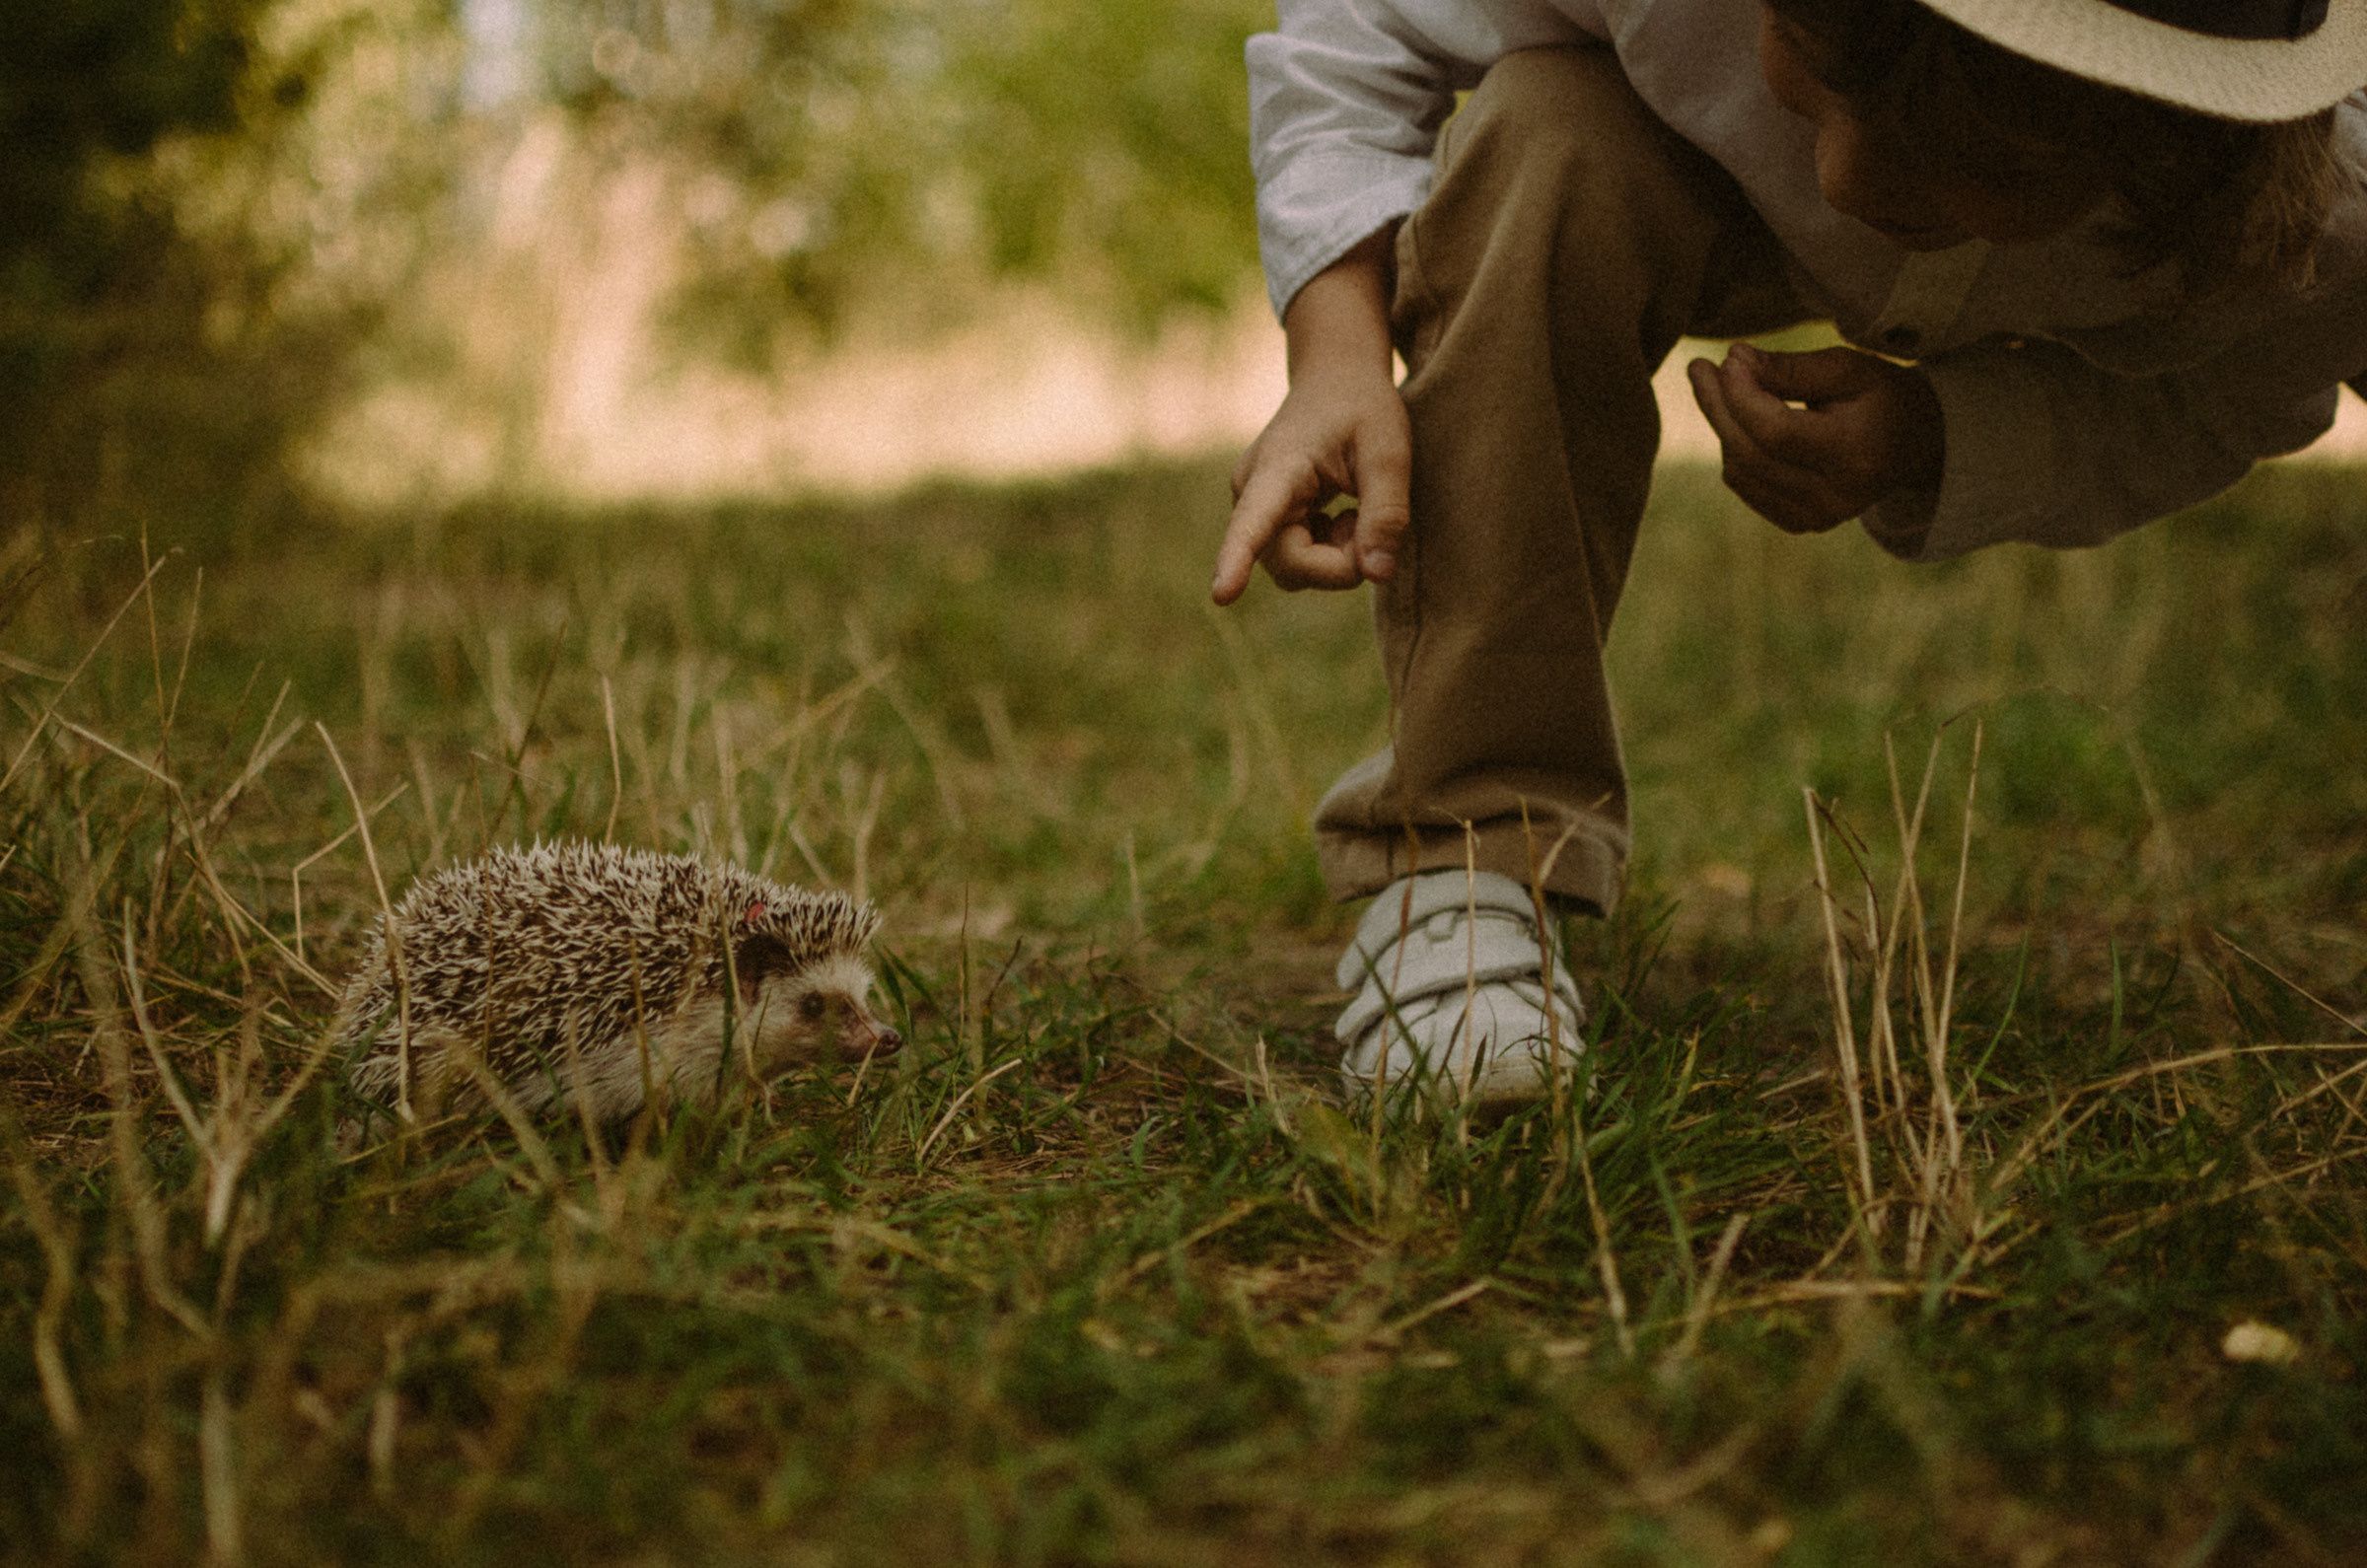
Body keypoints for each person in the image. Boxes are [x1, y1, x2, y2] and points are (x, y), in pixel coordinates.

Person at [1215, 0, 2367, 1105]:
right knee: (1548, 136)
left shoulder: (2320, 207)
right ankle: (1459, 868)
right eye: (1816, 64)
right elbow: (1365, 19)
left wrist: (1942, 435)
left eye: (1984, 160)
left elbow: (2237, 392)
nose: (1846, 181)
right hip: (1677, 162)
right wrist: (1336, 345)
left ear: (2187, 150)